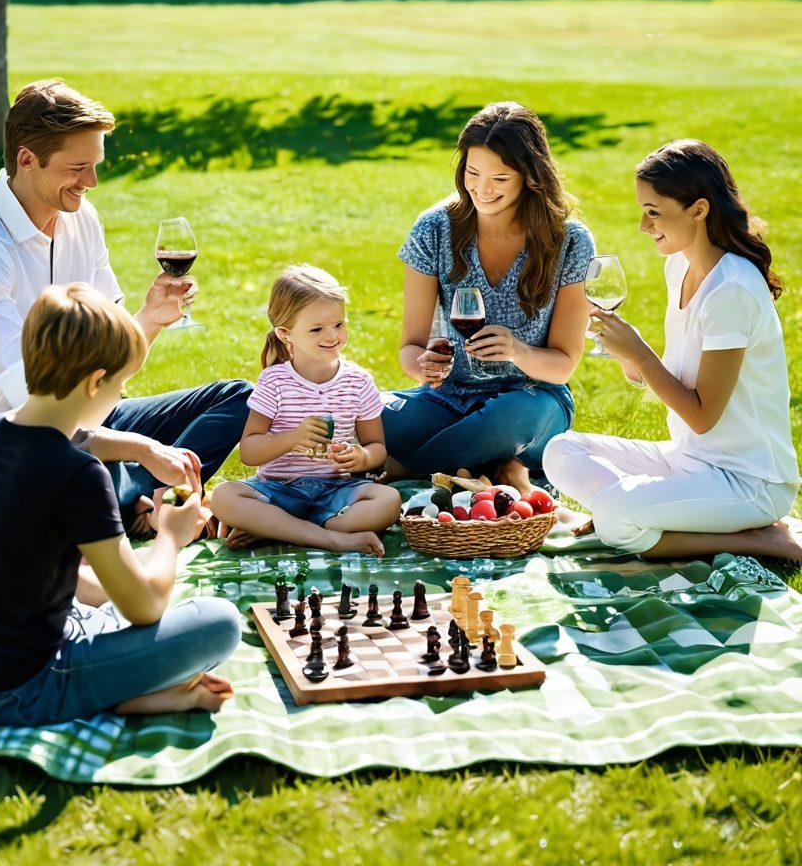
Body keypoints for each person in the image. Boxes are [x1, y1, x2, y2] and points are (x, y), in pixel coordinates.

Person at [0, 79, 251, 535]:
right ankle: (129, 502)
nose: (92, 182)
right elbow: (35, 410)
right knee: (80, 468)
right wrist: (140, 449)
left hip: (86, 420)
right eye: (79, 167)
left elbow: (109, 361)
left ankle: (138, 503)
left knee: (237, 398)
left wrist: (149, 320)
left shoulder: (83, 219)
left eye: (95, 165)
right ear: (26, 159)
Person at [0, 284, 241, 726]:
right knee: (219, 622)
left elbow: (80, 439)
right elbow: (145, 607)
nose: (120, 397)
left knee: (103, 588)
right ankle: (122, 696)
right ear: (96, 382)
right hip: (21, 688)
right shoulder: (78, 475)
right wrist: (172, 534)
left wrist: (142, 449)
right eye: (120, 387)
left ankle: (129, 688)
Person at [543, 140, 802, 561]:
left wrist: (642, 353)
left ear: (698, 210)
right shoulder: (679, 265)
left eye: (653, 211)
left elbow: (702, 415)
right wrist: (630, 357)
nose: (644, 226)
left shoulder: (731, 288)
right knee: (560, 450)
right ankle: (647, 513)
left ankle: (760, 539)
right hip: (689, 459)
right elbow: (676, 378)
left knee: (613, 514)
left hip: (747, 480)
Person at [382, 102, 595, 493]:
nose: (481, 188)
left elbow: (563, 366)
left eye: (499, 177)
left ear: (530, 178)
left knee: (510, 418)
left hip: (533, 400)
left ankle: (399, 467)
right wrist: (423, 367)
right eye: (472, 172)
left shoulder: (570, 241)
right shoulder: (434, 228)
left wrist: (518, 351)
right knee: (362, 413)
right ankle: (498, 466)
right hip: (450, 400)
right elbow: (410, 349)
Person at [210, 266, 401, 555]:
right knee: (223, 497)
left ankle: (279, 529)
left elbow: (377, 449)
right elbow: (249, 452)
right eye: (317, 329)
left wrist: (359, 457)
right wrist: (293, 438)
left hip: (336, 492)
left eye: (339, 324)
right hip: (278, 490)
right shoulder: (274, 381)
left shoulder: (358, 381)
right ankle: (329, 538)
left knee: (389, 500)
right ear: (286, 334)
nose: (332, 336)